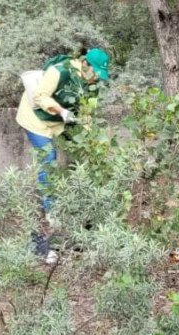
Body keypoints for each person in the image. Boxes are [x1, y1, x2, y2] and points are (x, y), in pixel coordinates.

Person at [16, 48, 110, 256]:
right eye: (96, 72)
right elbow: (40, 96)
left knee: (81, 159)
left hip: (60, 123)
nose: (96, 78)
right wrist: (62, 111)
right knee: (48, 160)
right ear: (85, 64)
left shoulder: (92, 85)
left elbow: (87, 112)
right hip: (36, 120)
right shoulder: (61, 71)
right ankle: (52, 214)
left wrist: (88, 139)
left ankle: (78, 214)